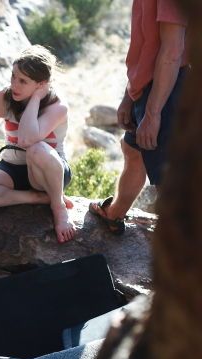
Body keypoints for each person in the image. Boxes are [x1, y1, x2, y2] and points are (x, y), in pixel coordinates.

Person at [0, 45, 76, 243]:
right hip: (12, 168)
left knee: (36, 148)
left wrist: (36, 98)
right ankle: (38, 198)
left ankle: (58, 206)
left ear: (42, 84)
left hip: (46, 172)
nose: (15, 85)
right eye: (13, 76)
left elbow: (27, 139)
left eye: (23, 81)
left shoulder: (57, 107)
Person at [89, 0, 188, 234]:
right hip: (151, 87)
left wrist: (153, 114)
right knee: (133, 151)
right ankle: (114, 215)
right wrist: (130, 96)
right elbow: (147, 47)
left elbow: (172, 51)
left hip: (170, 88)